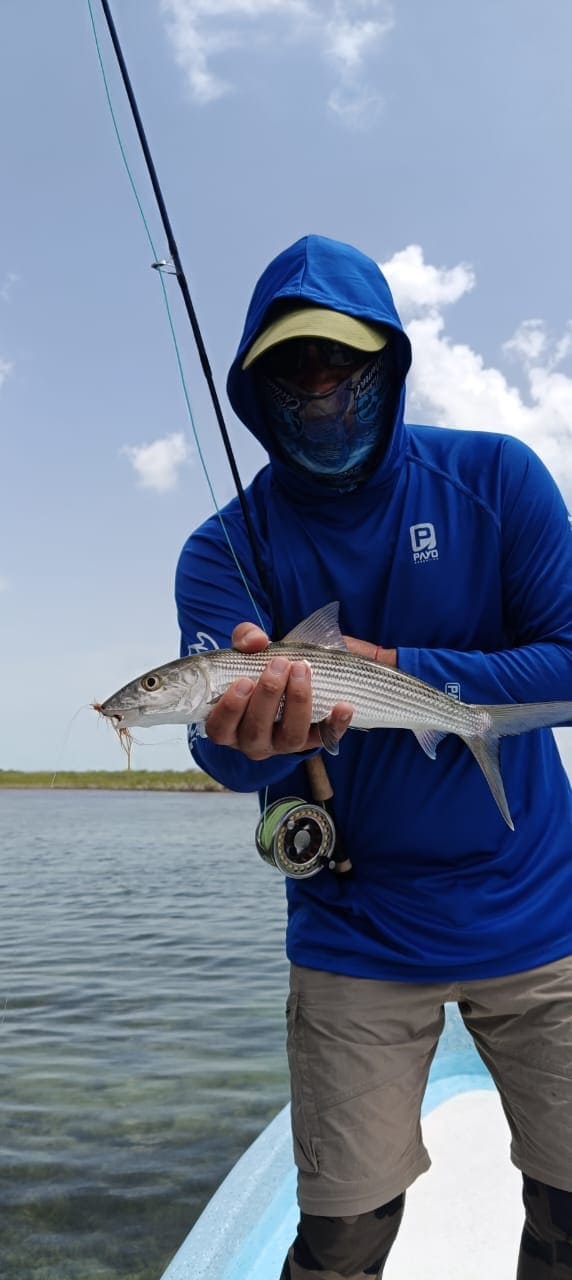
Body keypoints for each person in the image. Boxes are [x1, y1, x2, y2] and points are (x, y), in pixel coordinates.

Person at [175, 234, 572, 1279]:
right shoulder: (220, 551)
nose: (318, 393)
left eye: (339, 365)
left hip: (535, 906)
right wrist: (240, 745)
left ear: (387, 365)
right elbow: (228, 759)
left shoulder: (497, 479)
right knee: (342, 1236)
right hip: (354, 927)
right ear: (255, 392)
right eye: (290, 372)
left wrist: (396, 668)